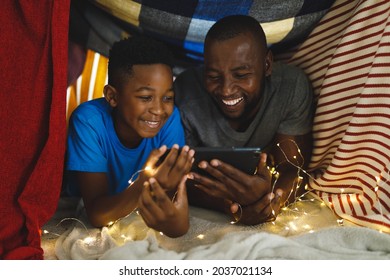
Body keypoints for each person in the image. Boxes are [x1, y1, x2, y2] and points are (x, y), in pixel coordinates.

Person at [174, 15, 314, 225]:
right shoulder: (185, 95)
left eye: (241, 75)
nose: (226, 90)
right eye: (213, 76)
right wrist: (232, 206)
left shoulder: (291, 87)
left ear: (267, 65)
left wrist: (272, 202)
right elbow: (180, 179)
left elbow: (293, 169)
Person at [66, 36, 194, 237]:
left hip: (131, 203)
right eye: (145, 97)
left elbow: (168, 194)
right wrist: (145, 183)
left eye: (167, 98)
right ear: (112, 97)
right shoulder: (88, 121)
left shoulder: (170, 119)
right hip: (95, 205)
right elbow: (97, 214)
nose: (159, 110)